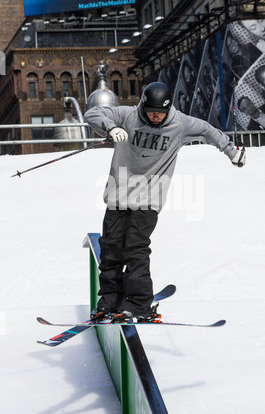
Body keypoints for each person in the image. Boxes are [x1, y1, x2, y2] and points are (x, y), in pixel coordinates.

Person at [84, 82, 246, 323]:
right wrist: (111, 127)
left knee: (135, 249)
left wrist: (232, 152)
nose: (156, 116)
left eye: (160, 112)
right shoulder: (128, 115)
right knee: (111, 250)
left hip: (149, 197)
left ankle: (139, 304)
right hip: (118, 194)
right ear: (143, 106)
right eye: (151, 112)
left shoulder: (179, 123)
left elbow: (208, 131)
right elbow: (92, 113)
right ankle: (109, 301)